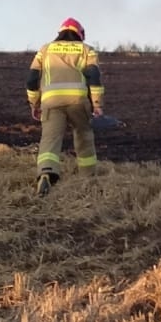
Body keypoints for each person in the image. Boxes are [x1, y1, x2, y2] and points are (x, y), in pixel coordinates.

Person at [26, 17, 104, 196]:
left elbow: (31, 79)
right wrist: (98, 104)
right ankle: (88, 178)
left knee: (50, 139)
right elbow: (94, 76)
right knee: (84, 136)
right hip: (78, 101)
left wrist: (34, 102)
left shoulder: (45, 50)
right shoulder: (87, 50)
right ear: (80, 34)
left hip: (51, 101)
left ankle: (46, 174)